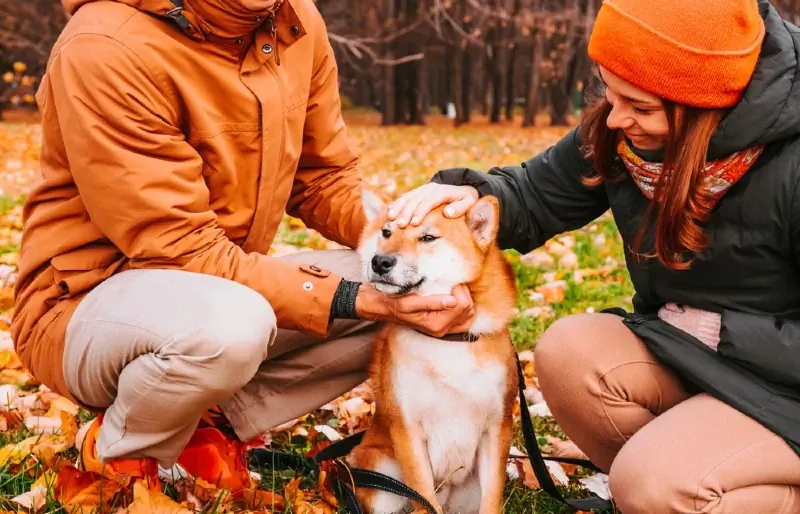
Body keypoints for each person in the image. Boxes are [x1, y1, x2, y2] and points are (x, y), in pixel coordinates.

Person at [10, 0, 476, 495]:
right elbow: (179, 247)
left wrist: (411, 239)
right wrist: (352, 298)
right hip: (83, 307)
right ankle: (125, 454)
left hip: (219, 292)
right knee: (236, 324)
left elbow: (322, 178)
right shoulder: (105, 45)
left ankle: (204, 427)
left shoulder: (296, 21)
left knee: (415, 289)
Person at [388, 0, 800, 512]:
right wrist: (471, 195)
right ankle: (693, 465)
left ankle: (700, 484)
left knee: (653, 485)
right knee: (569, 354)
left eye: (642, 107)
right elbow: (536, 193)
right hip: (694, 355)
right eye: (609, 88)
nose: (616, 116)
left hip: (784, 390)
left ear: (705, 105)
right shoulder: (622, 128)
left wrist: (720, 332)